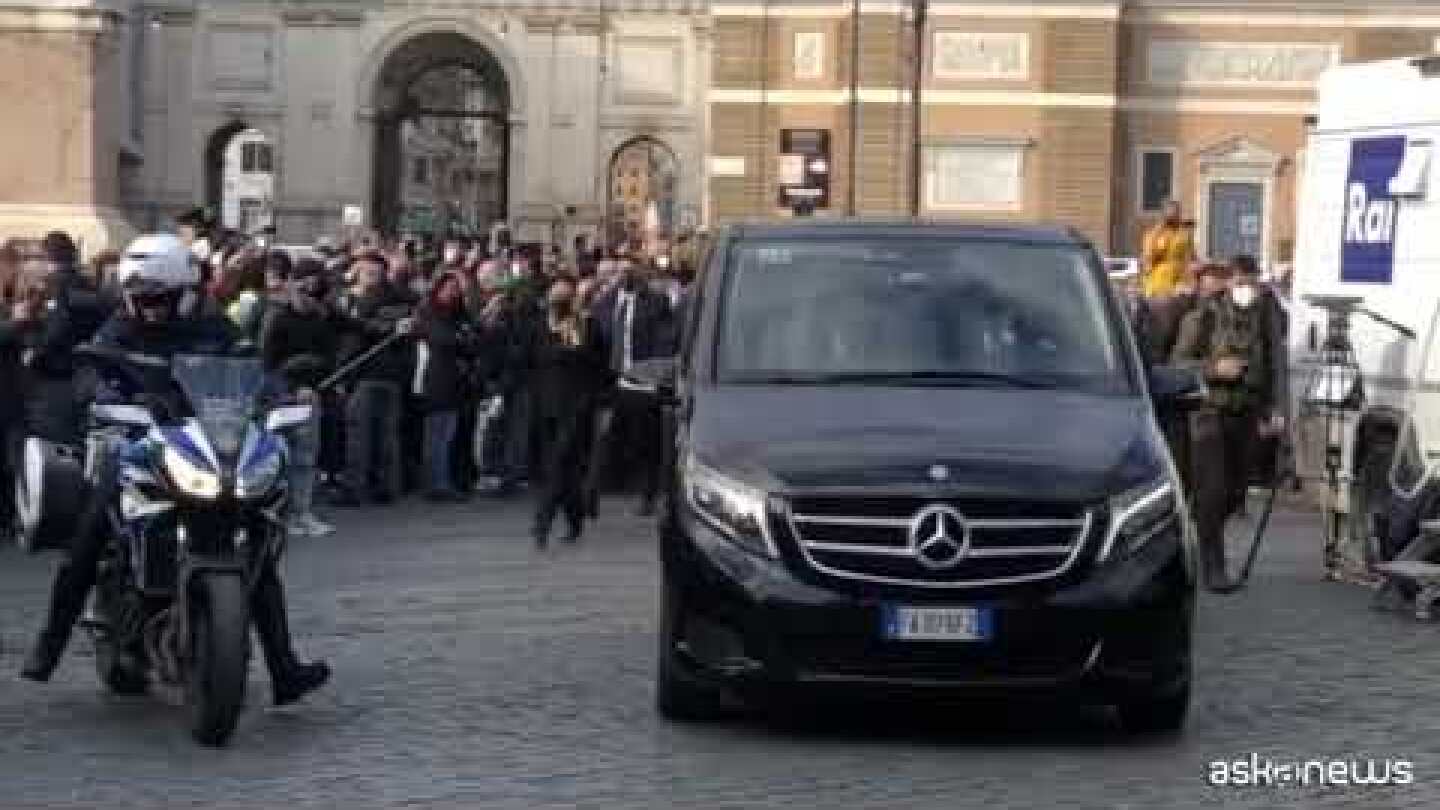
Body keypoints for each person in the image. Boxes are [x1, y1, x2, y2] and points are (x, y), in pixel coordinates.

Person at [21, 234, 330, 706]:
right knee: (91, 529)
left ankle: (284, 667)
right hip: (140, 445)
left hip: (207, 444)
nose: (148, 309)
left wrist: (282, 395)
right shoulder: (119, 328)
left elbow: (255, 368)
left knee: (259, 547)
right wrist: (104, 395)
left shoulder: (215, 328)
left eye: (159, 299)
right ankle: (50, 643)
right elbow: (89, 369)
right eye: (141, 299)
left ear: (185, 292)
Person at [1170, 254, 1286, 589]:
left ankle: (1194, 532)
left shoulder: (1267, 316)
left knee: (1236, 494)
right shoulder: (1204, 316)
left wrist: (1277, 408)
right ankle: (1213, 569)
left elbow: (1276, 364)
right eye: (1239, 282)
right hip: (1209, 413)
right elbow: (1178, 365)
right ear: (1228, 282)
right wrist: (1213, 369)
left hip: (1248, 414)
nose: (1246, 289)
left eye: (1252, 282)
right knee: (1213, 491)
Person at [259, 258, 341, 537]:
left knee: (306, 457)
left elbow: (343, 337)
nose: (309, 296)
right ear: (291, 285)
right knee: (280, 456)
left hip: (312, 395)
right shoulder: (277, 317)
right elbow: (264, 363)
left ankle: (300, 511)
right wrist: (287, 391)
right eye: (303, 287)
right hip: (283, 398)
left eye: (315, 290)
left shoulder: (320, 317)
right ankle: (284, 513)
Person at [588, 254, 675, 516]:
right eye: (621, 271)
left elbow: (665, 340)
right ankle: (592, 494)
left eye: (630, 271)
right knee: (603, 438)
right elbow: (598, 338)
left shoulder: (656, 301)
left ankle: (648, 494)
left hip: (642, 383)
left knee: (645, 440)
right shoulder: (607, 302)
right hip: (613, 380)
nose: (625, 276)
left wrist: (655, 376)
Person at [530, 278, 607, 547]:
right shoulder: (541, 325)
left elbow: (590, 357)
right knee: (567, 469)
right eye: (555, 296)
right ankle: (575, 519)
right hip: (548, 404)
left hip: (576, 405)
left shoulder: (586, 324)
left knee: (558, 463)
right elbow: (535, 357)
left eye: (564, 297)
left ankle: (542, 522)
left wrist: (570, 335)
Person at [335, 251, 413, 505]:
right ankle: (386, 486)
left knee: (360, 434)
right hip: (391, 374)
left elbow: (354, 336)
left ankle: (355, 488)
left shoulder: (363, 302)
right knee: (386, 435)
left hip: (365, 374)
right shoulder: (402, 299)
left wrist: (343, 373)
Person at [414, 271, 478, 501]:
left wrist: (465, 339)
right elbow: (443, 339)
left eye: (457, 287)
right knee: (438, 435)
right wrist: (462, 339)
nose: (454, 292)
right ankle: (436, 483)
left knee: (451, 434)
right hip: (437, 381)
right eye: (450, 287)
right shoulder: (429, 312)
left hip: (459, 382)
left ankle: (451, 480)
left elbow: (473, 339)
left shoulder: (461, 314)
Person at [1141, 201, 1197, 300]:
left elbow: (1191, 256)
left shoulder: (1184, 234)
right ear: (1164, 215)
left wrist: (1192, 272)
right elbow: (1148, 258)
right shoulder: (1155, 234)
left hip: (1181, 282)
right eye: (1171, 213)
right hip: (1160, 283)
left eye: (1177, 213)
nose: (1174, 216)